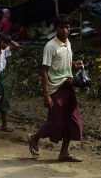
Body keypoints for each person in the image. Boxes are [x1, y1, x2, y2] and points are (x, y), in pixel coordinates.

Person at [28, 15, 85, 163]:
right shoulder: (50, 46)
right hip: (55, 89)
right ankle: (34, 138)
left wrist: (74, 64)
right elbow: (44, 70)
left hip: (68, 87)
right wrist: (46, 94)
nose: (65, 30)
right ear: (56, 28)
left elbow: (62, 63)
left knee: (72, 120)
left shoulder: (67, 43)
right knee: (55, 121)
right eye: (61, 27)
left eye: (67, 27)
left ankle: (64, 153)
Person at [0, 33, 19, 132]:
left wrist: (8, 40)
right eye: (5, 43)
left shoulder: (4, 50)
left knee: (0, 99)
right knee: (3, 98)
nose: (6, 45)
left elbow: (16, 46)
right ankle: (3, 124)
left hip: (0, 76)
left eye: (7, 43)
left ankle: (2, 124)